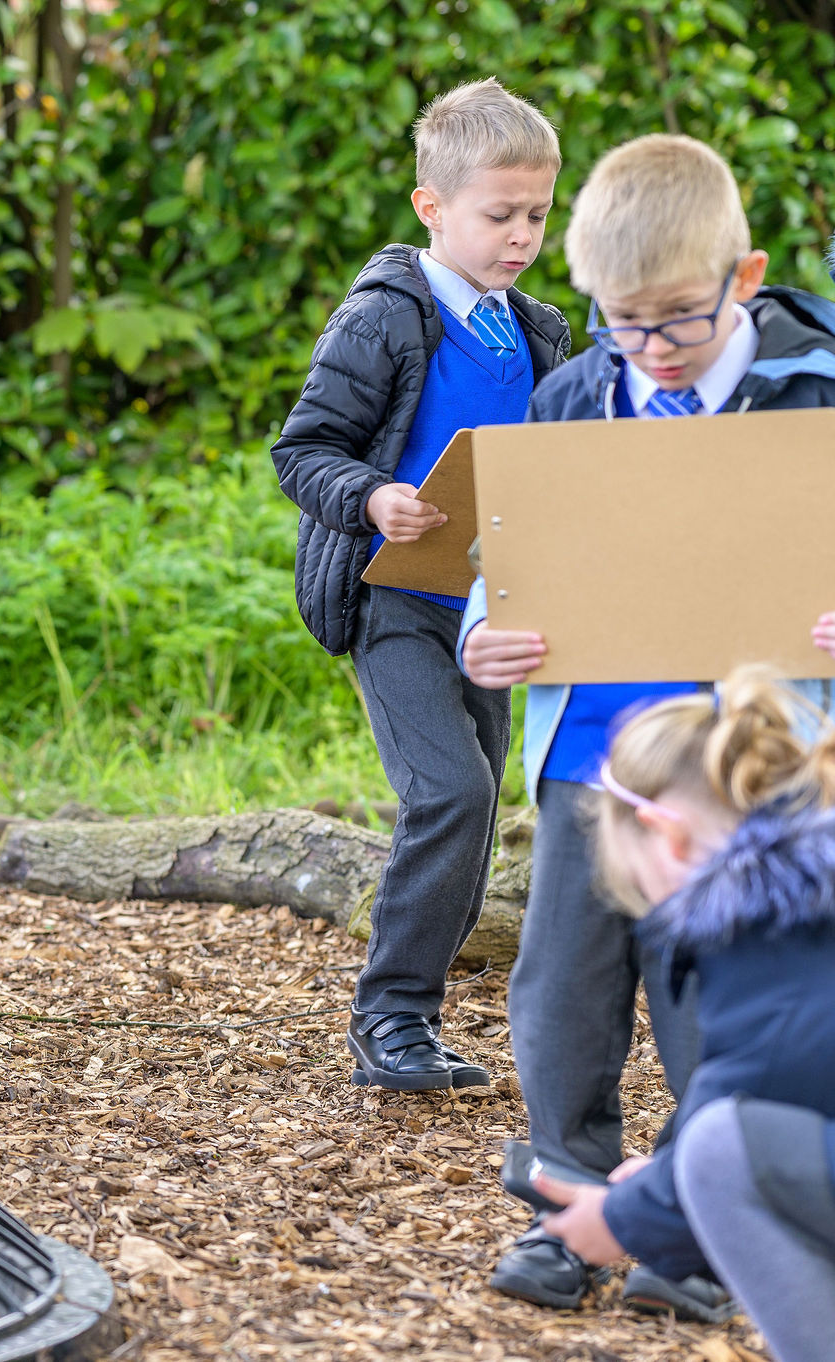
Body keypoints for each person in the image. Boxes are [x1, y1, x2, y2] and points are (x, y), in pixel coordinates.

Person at [459, 133, 835, 1315]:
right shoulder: (576, 390)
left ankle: (692, 1238)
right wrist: (484, 629)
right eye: (621, 322)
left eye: (673, 320)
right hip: (588, 752)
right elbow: (512, 556)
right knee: (561, 994)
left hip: (740, 761)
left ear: (742, 275)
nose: (649, 350)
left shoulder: (813, 391)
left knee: (716, 1009)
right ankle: (569, 1219)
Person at [269, 78, 567, 1091]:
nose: (520, 235)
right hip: (390, 598)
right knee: (449, 790)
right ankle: (385, 1017)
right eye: (499, 214)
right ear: (431, 208)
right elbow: (302, 451)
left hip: (490, 608)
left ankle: (416, 1021)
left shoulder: (535, 329)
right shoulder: (382, 318)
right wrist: (372, 498)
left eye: (535, 213)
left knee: (476, 812)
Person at [530, 669, 835, 1362]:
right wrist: (666, 1188)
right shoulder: (809, 890)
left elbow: (740, 1126)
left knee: (718, 1149)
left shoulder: (767, 940)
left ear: (664, 836)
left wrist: (619, 1220)